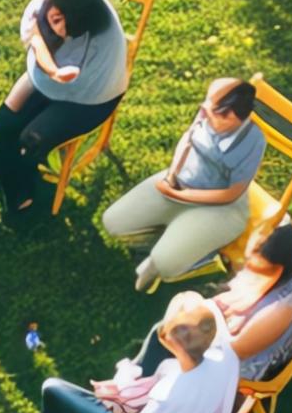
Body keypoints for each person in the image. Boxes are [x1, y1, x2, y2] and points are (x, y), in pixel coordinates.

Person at [34, 292, 240, 413]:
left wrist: (124, 408)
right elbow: (203, 307)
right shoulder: (228, 353)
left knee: (53, 388)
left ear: (168, 340)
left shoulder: (167, 393)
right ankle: (113, 401)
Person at [0, 0, 127, 210]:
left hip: (91, 97)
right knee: (1, 126)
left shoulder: (101, 42)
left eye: (67, 28)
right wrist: (53, 71)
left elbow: (74, 86)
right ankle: (6, 165)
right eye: (56, 20)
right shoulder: (49, 1)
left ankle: (22, 191)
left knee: (32, 140)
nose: (58, 30)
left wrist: (53, 74)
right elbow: (35, 38)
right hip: (49, 78)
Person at [103, 77, 266, 289]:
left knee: (165, 263)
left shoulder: (253, 142)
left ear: (236, 117)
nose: (206, 115)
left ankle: (180, 259)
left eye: (217, 114)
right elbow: (187, 140)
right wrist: (171, 177)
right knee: (113, 222)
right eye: (207, 108)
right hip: (180, 183)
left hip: (221, 207)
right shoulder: (209, 113)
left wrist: (179, 196)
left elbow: (231, 194)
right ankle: (173, 237)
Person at [205, 218, 292, 381]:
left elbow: (236, 351)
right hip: (239, 343)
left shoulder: (283, 308)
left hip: (241, 371)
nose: (248, 265)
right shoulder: (281, 265)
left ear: (277, 269)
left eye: (255, 264)